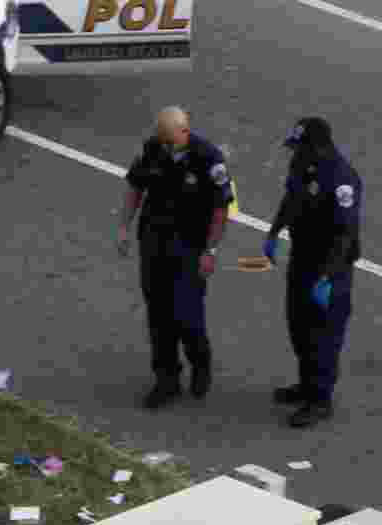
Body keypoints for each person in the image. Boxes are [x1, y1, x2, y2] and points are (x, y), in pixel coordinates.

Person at [117, 107, 234, 410]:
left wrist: (211, 250)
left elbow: (221, 210)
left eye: (170, 141)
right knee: (158, 316)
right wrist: (123, 227)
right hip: (155, 244)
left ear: (185, 131)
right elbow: (135, 186)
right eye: (162, 141)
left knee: (188, 316)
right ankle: (166, 379)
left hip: (190, 248)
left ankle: (201, 364)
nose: (165, 147)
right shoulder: (153, 148)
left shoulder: (209, 159)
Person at [262, 117, 361, 428]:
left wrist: (328, 277)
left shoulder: (342, 178)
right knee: (299, 327)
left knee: (324, 336)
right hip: (303, 259)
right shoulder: (302, 166)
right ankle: (306, 385)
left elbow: (345, 236)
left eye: (300, 148)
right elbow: (291, 199)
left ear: (317, 147)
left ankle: (320, 400)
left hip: (330, 265)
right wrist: (274, 231)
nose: (296, 153)